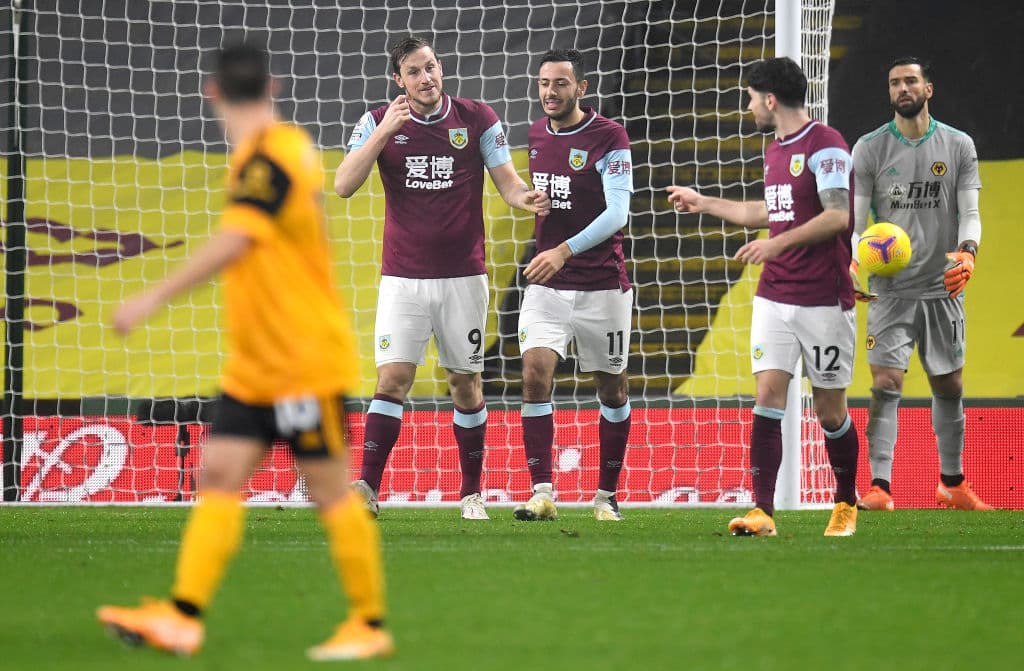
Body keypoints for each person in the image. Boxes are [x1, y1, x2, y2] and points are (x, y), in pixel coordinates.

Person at [96, 44, 393, 661]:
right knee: (219, 476)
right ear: (274, 84)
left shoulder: (274, 156)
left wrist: (152, 298)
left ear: (211, 92)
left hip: (299, 362)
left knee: (329, 490)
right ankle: (182, 616)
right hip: (257, 364)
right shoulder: (271, 154)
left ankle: (367, 623)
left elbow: (237, 239)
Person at [334, 36, 550, 520]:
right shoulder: (376, 121)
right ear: (399, 81)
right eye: (414, 72)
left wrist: (527, 198)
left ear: (441, 68)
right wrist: (384, 131)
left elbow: (508, 181)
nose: (425, 78)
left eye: (430, 67)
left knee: (464, 384)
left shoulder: (477, 118)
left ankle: (471, 492)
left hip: (463, 278)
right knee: (392, 379)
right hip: (403, 279)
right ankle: (367, 487)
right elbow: (344, 184)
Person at [667, 57, 861, 537]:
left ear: (770, 99)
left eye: (751, 97)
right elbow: (766, 211)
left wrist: (776, 243)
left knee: (830, 410)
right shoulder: (775, 151)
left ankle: (845, 501)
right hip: (775, 295)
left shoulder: (827, 146)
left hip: (823, 299)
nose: (749, 105)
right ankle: (762, 510)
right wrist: (704, 201)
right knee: (768, 396)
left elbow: (838, 216)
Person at [851, 57, 990, 511]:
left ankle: (951, 484)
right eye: (894, 83)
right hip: (891, 289)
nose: (902, 88)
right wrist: (853, 265)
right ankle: (880, 487)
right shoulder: (869, 149)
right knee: (886, 382)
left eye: (910, 80)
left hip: (943, 286)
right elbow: (855, 224)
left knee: (948, 384)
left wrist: (968, 250)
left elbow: (970, 212)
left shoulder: (958, 145)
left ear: (928, 88)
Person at [512, 49, 634, 522]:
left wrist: (564, 249)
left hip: (602, 284)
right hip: (549, 285)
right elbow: (549, 195)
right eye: (543, 82)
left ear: (581, 88)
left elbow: (617, 213)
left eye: (560, 83)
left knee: (612, 389)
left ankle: (606, 495)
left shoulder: (609, 136)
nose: (549, 92)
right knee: (534, 375)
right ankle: (542, 491)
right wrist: (530, 200)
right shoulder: (537, 134)